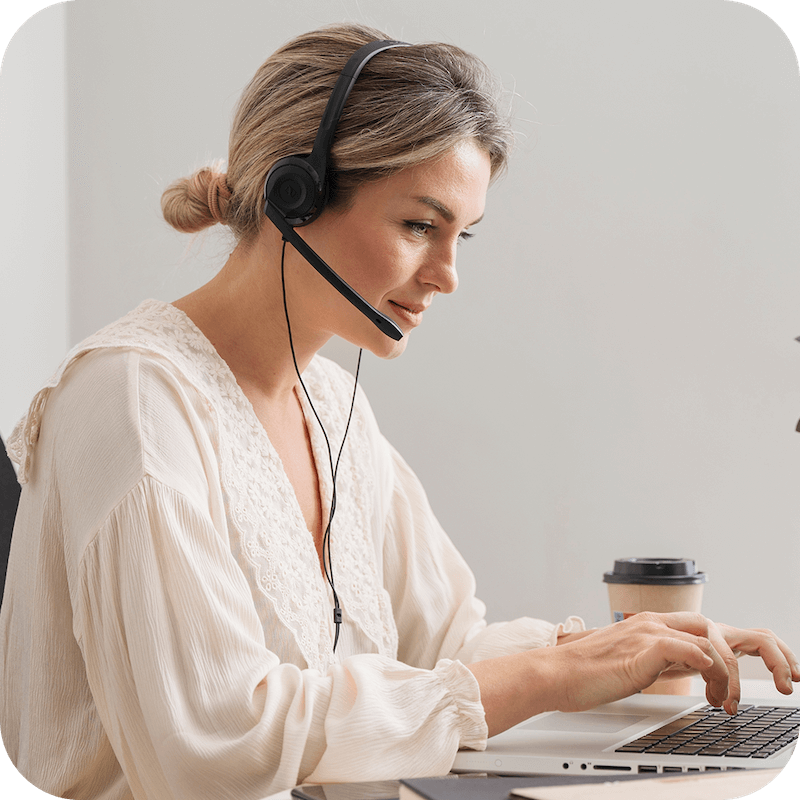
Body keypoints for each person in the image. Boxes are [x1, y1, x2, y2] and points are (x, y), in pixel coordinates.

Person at [1, 22, 797, 800]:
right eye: (421, 225)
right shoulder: (135, 403)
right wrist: (542, 677)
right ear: (294, 196)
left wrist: (624, 654)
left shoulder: (333, 404)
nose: (448, 275)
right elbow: (211, 745)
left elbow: (443, 649)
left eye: (463, 236)